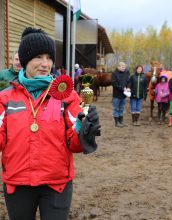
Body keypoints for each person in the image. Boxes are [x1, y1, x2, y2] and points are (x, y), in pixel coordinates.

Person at [0, 27, 100, 220]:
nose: (45, 64)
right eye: (38, 57)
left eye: (49, 58)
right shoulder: (5, 98)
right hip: (18, 183)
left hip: (57, 184)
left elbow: (74, 143)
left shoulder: (67, 96)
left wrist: (84, 131)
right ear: (25, 59)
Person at [112, 62, 130, 127]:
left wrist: (128, 87)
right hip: (116, 95)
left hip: (124, 95)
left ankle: (121, 121)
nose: (123, 68)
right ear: (118, 67)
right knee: (116, 108)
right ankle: (116, 123)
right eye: (122, 67)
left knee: (122, 108)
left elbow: (128, 81)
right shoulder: (114, 74)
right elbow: (114, 83)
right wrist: (122, 88)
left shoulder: (127, 73)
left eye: (124, 67)